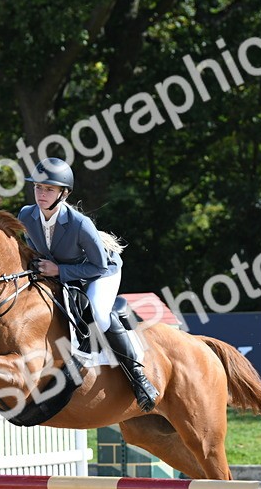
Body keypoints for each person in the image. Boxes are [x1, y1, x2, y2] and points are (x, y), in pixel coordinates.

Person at [18, 157, 159, 411]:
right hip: (60, 269)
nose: (41, 193)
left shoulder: (80, 223)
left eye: (49, 189)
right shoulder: (26, 215)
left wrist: (59, 270)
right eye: (38, 187)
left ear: (64, 193)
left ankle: (138, 377)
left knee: (99, 314)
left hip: (99, 271)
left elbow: (99, 266)